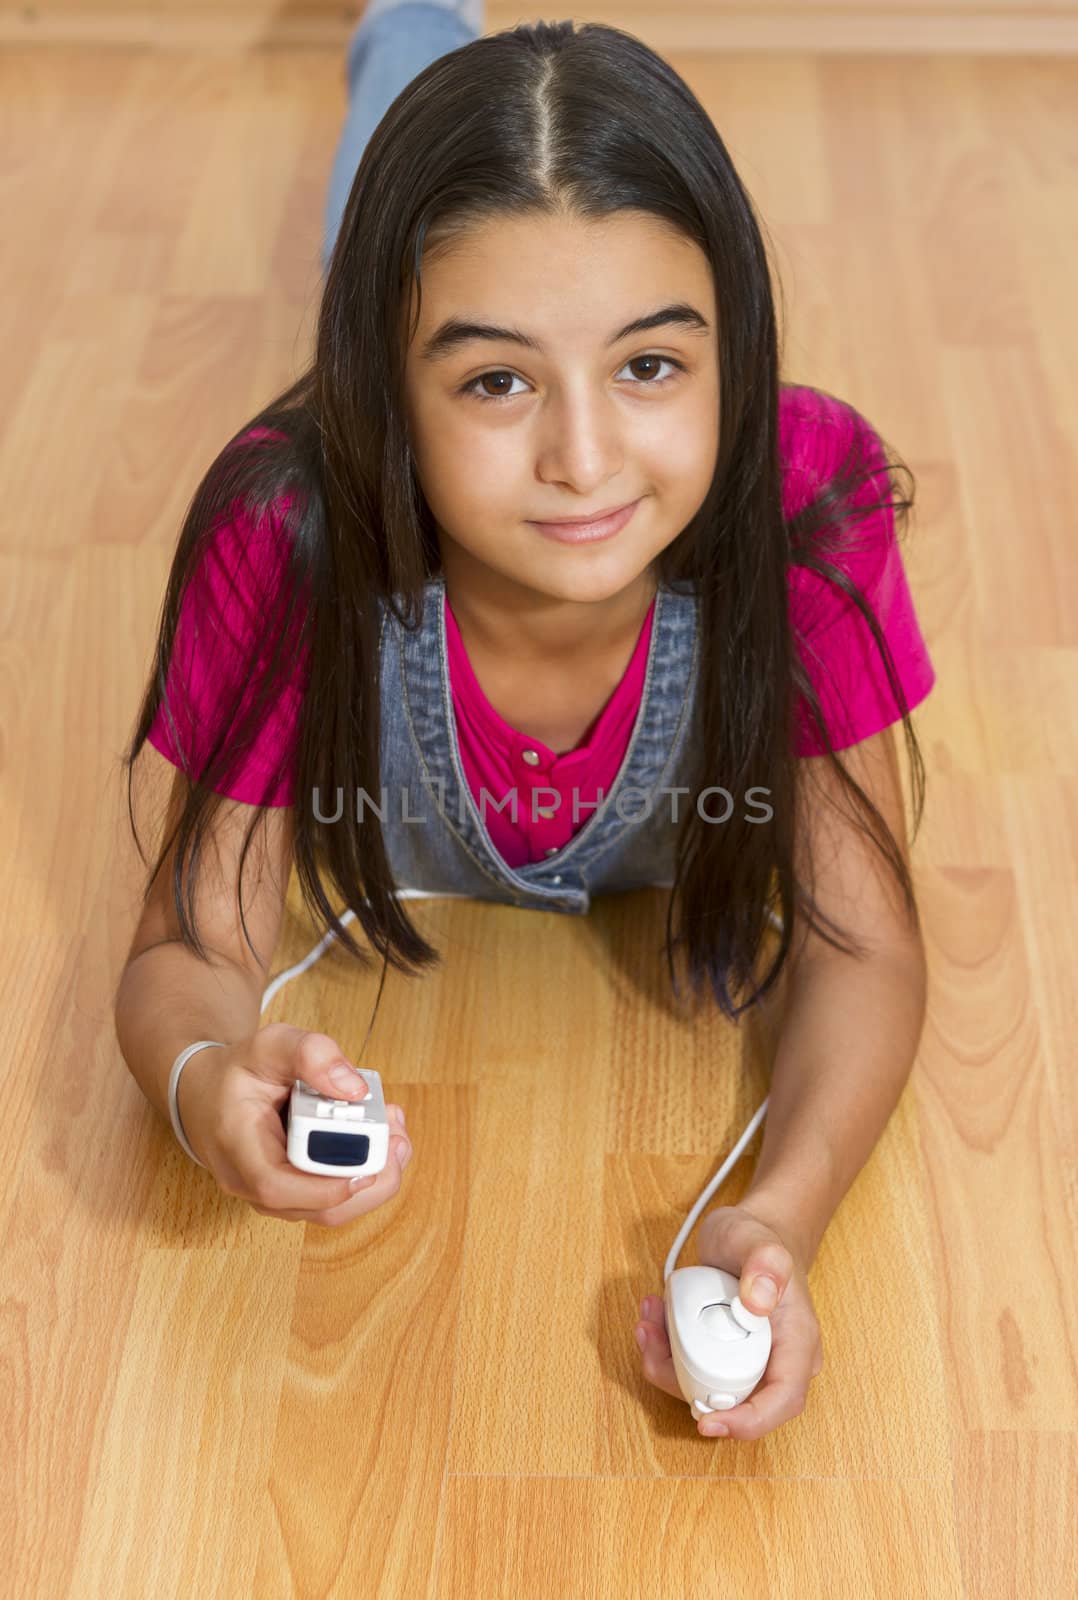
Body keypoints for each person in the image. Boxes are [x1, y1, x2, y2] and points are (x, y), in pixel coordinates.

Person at [114, 10, 936, 1444]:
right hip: (351, 439)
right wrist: (204, 1083)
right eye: (493, 380)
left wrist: (775, 1223)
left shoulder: (805, 502)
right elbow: (190, 947)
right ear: (395, 394)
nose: (581, 459)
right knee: (378, 184)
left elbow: (863, 945)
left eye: (650, 367)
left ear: (731, 351)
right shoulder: (285, 525)